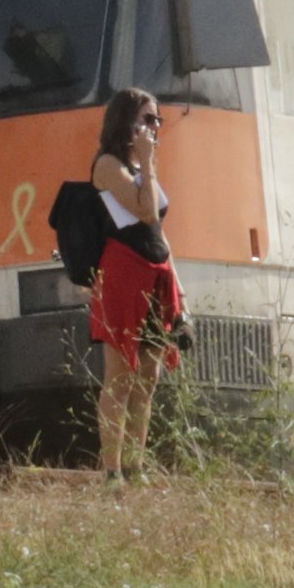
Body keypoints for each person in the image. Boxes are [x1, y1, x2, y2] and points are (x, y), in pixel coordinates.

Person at [85, 86, 185, 475]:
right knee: (120, 376)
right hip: (123, 276)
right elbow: (145, 212)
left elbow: (158, 232)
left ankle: (135, 467)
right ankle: (112, 471)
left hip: (156, 276)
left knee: (148, 376)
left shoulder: (143, 167)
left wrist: (181, 296)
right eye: (147, 118)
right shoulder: (109, 165)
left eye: (158, 119)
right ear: (125, 120)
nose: (155, 126)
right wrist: (147, 162)